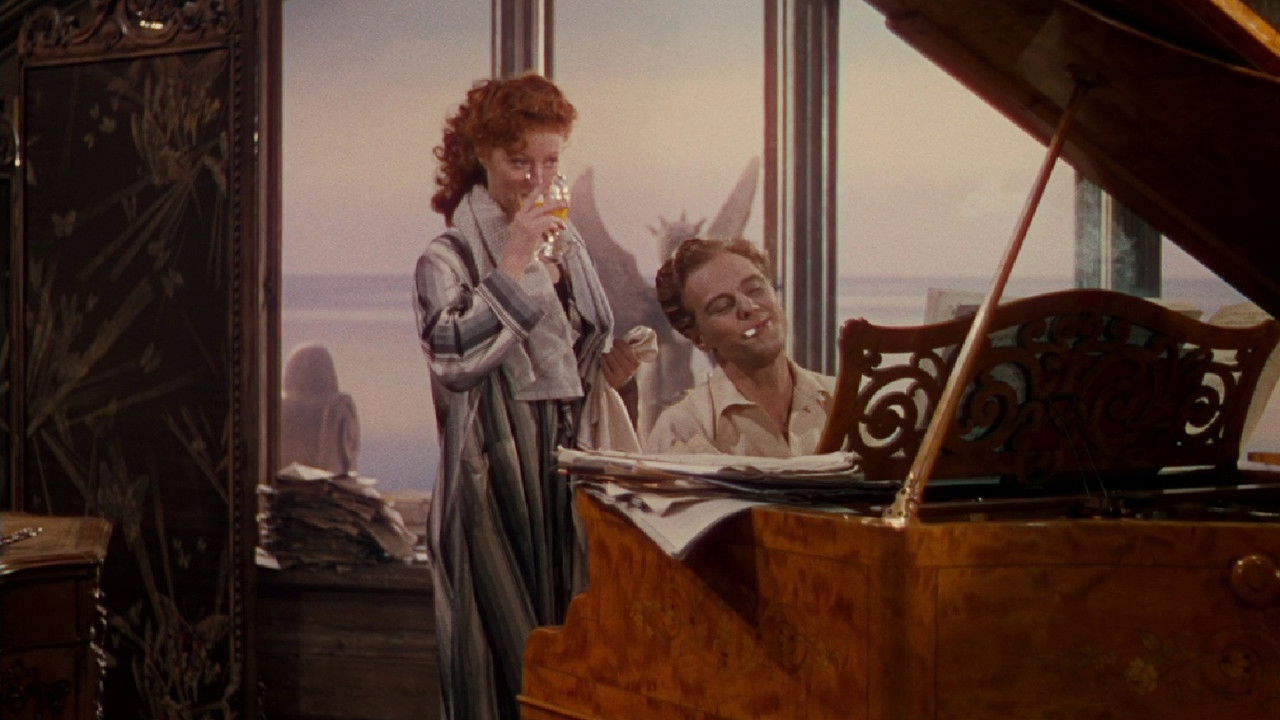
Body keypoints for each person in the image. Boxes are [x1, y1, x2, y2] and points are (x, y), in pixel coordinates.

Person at [414, 73, 639, 720]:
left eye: (551, 163)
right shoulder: (448, 258)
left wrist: (612, 368)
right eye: (520, 162)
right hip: (492, 485)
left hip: (565, 482)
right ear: (479, 157)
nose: (538, 181)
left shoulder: (567, 245)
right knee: (501, 676)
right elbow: (454, 359)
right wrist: (514, 264)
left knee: (573, 671)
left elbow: (578, 352)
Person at [645, 237, 835, 457]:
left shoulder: (852, 402)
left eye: (755, 289)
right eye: (722, 306)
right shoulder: (681, 430)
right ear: (699, 338)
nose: (748, 307)